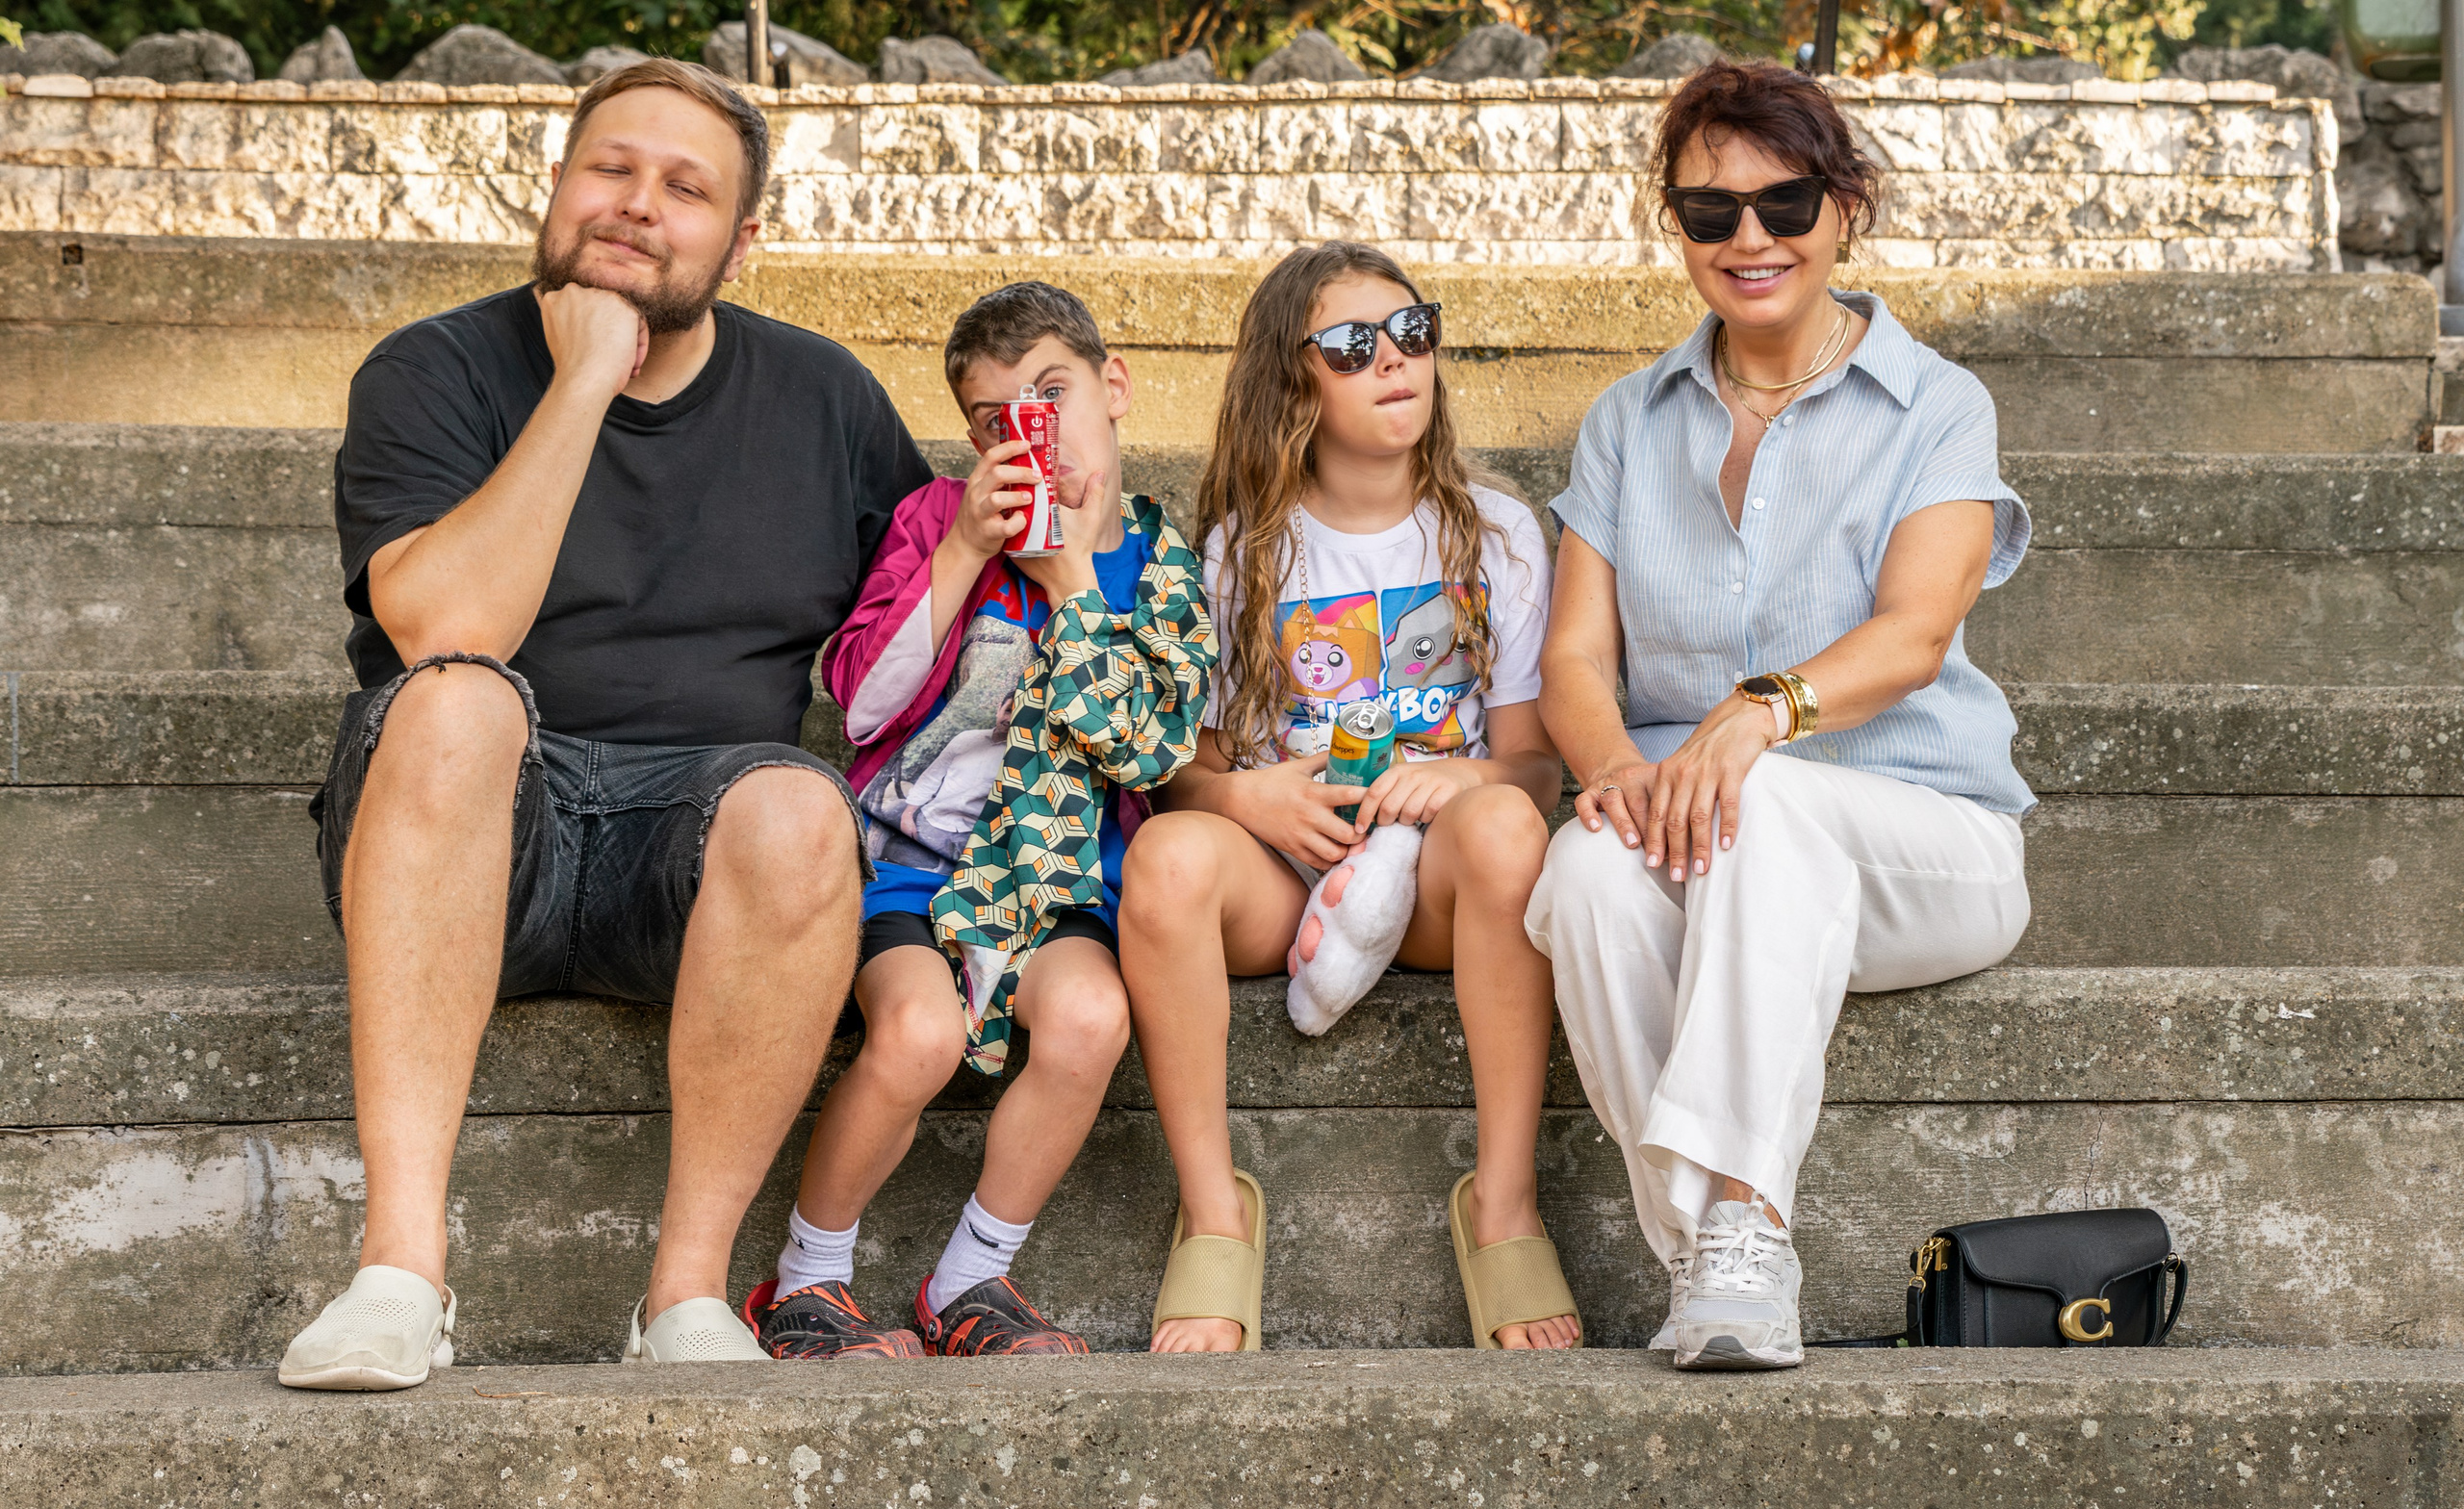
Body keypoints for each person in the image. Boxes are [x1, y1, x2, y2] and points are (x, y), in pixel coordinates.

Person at [276, 59, 936, 1390]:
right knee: (457, 701)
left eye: (685, 188)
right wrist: (583, 380)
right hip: (465, 832)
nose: (637, 203)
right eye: (611, 168)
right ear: (557, 187)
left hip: (691, 870)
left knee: (800, 805)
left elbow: (931, 644)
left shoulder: (825, 401)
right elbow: (446, 627)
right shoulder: (433, 370)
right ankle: (399, 1274)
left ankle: (687, 1295)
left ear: (742, 244)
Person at [1524, 60, 2035, 1371]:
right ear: (1677, 228)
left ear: (1844, 208)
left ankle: (1750, 1217)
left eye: (1784, 203)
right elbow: (1574, 655)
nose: (1748, 237)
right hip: (1701, 831)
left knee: (1764, 798)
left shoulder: (1938, 404)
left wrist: (1760, 713)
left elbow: (1915, 634)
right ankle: (1709, 1257)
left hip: (1923, 841)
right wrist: (1610, 772)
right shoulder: (1627, 420)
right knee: (1583, 872)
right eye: (1711, 212)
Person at [1119, 242, 1581, 1353]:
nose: (1393, 359)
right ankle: (1214, 1214)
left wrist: (1465, 774)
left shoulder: (1498, 533)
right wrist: (1248, 801)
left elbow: (1535, 768)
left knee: (1507, 823)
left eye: (1413, 330)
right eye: (1351, 345)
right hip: (1290, 877)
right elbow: (1186, 773)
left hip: (1436, 884)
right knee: (1165, 858)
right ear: (1293, 378)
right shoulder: (1240, 554)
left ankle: (1505, 1203)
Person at [744, 282, 1217, 1358]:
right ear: (974, 442)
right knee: (917, 1032)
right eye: (1000, 419)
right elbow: (861, 708)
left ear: (1114, 386)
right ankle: (806, 1279)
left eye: (1051, 397)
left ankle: (968, 1280)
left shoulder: (1163, 565)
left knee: (1091, 1018)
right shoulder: (933, 520)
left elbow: (1150, 749)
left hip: (1057, 879)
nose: (1031, 433)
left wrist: (1072, 583)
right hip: (911, 867)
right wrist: (962, 549)